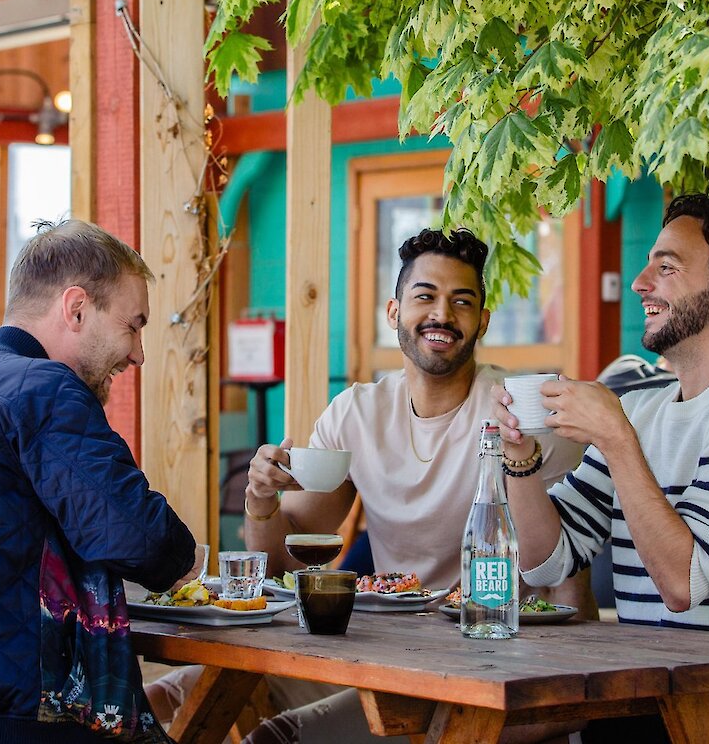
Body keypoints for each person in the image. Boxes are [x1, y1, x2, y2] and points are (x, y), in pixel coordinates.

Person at [150, 228, 591, 742]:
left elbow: (569, 576)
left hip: (489, 665)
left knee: (275, 737)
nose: (442, 314)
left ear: (483, 322)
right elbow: (286, 556)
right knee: (173, 693)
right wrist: (260, 499)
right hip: (387, 650)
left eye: (462, 301)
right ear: (394, 313)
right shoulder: (357, 413)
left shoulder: (520, 414)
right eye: (425, 296)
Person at [496, 194, 709, 744]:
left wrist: (616, 439)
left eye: (666, 267)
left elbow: (683, 583)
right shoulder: (642, 409)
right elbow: (544, 563)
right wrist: (520, 456)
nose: (641, 282)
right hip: (641, 717)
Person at [0, 220, 198, 744]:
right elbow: (143, 540)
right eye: (133, 325)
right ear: (76, 308)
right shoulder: (41, 388)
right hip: (10, 715)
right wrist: (192, 560)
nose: (139, 354)